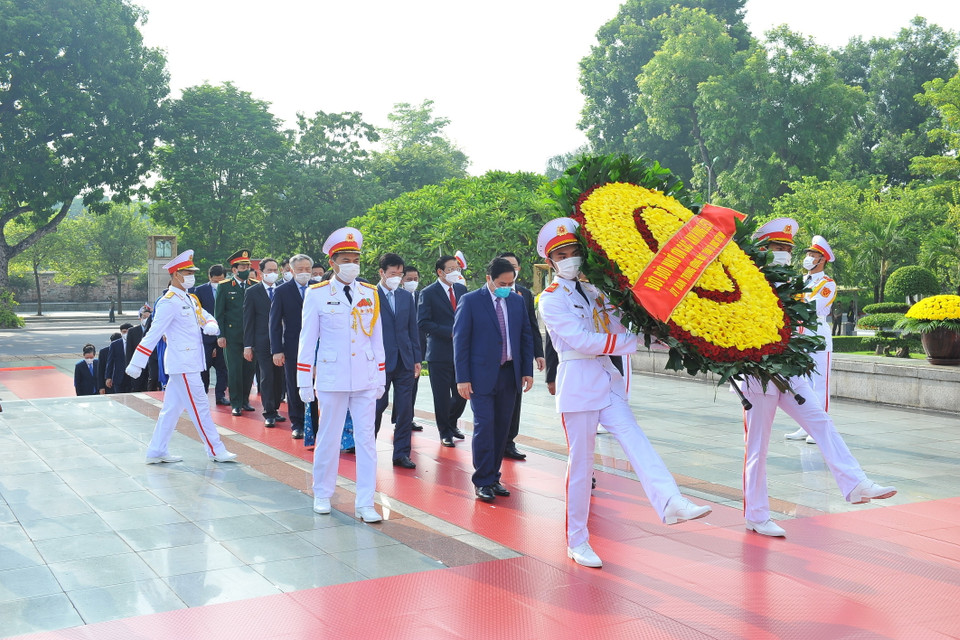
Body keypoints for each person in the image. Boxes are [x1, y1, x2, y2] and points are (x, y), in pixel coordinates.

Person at [537, 217, 712, 568]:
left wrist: (668, 339)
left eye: (574, 251)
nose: (570, 258)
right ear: (551, 261)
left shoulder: (595, 292)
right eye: (562, 254)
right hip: (578, 384)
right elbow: (582, 341)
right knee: (582, 467)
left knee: (635, 439)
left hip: (606, 378)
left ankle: (670, 500)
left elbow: (622, 324)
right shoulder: (550, 300)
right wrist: (631, 342)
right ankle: (577, 540)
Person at [739, 219, 896, 537]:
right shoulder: (747, 282)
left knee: (821, 422)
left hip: (791, 371)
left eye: (787, 249)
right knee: (757, 447)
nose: (784, 254)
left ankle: (856, 484)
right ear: (762, 249)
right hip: (759, 374)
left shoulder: (792, 284)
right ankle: (756, 515)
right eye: (778, 248)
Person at [297, 228, 386, 523]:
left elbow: (376, 338)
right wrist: (303, 379)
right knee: (328, 437)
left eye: (356, 259)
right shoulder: (317, 294)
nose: (352, 265)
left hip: (363, 376)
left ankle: (365, 502)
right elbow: (307, 339)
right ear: (333, 262)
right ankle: (322, 494)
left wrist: (380, 375)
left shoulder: (369, 293)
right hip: (332, 377)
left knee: (366, 441)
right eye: (346, 259)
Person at [124, 250, 237, 464]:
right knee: (200, 407)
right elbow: (154, 333)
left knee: (171, 410)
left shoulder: (189, 297)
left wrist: (211, 324)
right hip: (183, 364)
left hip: (190, 362)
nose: (192, 276)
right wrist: (137, 362)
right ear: (176, 274)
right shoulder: (168, 302)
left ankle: (156, 451)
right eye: (188, 272)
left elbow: (203, 315)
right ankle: (216, 449)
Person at [454, 258, 534, 502]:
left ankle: (494, 476)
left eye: (510, 283)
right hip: (480, 376)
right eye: (502, 283)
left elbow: (525, 335)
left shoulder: (517, 301)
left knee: (502, 429)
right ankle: (483, 480)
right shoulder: (470, 301)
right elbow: (460, 341)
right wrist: (462, 378)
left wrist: (526, 370)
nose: (507, 287)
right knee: (484, 426)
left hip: (509, 374)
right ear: (489, 278)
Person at [785, 234, 838, 444]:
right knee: (802, 384)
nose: (808, 257)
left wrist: (792, 301)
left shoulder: (828, 284)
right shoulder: (800, 280)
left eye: (813, 254)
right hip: (799, 336)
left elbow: (809, 307)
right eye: (808, 253)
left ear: (822, 259)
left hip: (817, 337)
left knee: (819, 384)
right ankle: (805, 425)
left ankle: (820, 428)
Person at [372, 253, 421, 469]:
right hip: (378, 361)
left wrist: (416, 359)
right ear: (382, 273)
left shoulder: (405, 297)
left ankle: (401, 453)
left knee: (405, 409)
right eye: (393, 274)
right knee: (376, 406)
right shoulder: (369, 296)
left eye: (400, 274)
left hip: (404, 360)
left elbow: (413, 329)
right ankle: (366, 447)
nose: (397, 278)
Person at [497, 251, 545, 460]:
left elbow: (531, 328)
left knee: (516, 403)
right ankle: (495, 444)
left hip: (516, 359)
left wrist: (538, 354)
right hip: (495, 359)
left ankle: (509, 442)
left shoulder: (524, 294)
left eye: (515, 266)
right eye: (507, 265)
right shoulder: (485, 296)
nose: (512, 270)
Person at [418, 255, 468, 447]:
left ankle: (452, 422)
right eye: (450, 269)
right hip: (439, 353)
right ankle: (444, 431)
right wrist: (450, 332)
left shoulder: (462, 289)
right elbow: (423, 322)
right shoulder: (428, 293)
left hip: (461, 352)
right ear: (440, 272)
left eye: (457, 268)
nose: (455, 272)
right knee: (441, 396)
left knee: (461, 394)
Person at [270, 253, 314, 440]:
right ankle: (297, 424)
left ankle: (315, 423)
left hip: (317, 348)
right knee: (294, 386)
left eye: (307, 269)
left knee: (316, 386)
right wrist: (277, 350)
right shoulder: (282, 291)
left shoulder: (318, 288)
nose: (304, 273)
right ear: (291, 269)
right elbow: (274, 323)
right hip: (292, 347)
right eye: (300, 269)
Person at [243, 257, 286, 427]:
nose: (273, 273)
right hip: (262, 341)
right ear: (261, 273)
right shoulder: (253, 292)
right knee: (267, 376)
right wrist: (248, 345)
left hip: (282, 341)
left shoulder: (283, 290)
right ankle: (268, 412)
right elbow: (248, 320)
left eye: (275, 270)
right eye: (269, 270)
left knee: (279, 377)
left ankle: (275, 408)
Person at [215, 249, 258, 417]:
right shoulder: (224, 287)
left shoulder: (254, 285)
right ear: (234, 270)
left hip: (251, 336)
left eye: (248, 266)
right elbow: (219, 313)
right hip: (232, 336)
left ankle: (245, 400)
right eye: (242, 266)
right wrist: (221, 335)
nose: (246, 269)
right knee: (234, 370)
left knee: (249, 369)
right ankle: (236, 403)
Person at [191, 264, 229, 404]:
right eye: (215, 281)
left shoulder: (229, 289)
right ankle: (203, 393)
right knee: (204, 367)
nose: (218, 284)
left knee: (222, 368)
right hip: (205, 337)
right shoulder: (200, 291)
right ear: (209, 277)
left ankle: (220, 395)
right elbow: (197, 313)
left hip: (223, 334)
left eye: (221, 280)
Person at [398, 266, 426, 432]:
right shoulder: (398, 296)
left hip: (416, 347)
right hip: (396, 349)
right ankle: (398, 417)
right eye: (409, 279)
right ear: (402, 280)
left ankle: (407, 418)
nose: (413, 282)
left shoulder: (421, 296)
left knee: (411, 386)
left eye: (416, 279)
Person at [124, 307, 152, 391]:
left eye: (148, 317)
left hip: (150, 366)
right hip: (137, 365)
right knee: (137, 388)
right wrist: (129, 366)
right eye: (144, 317)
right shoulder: (132, 331)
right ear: (140, 318)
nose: (145, 320)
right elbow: (129, 351)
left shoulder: (153, 331)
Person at [105, 323, 133, 393]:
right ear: (121, 332)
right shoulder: (115, 344)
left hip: (132, 376)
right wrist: (108, 377)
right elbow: (110, 361)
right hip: (119, 377)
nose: (126, 333)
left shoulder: (136, 342)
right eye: (124, 332)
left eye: (128, 332)